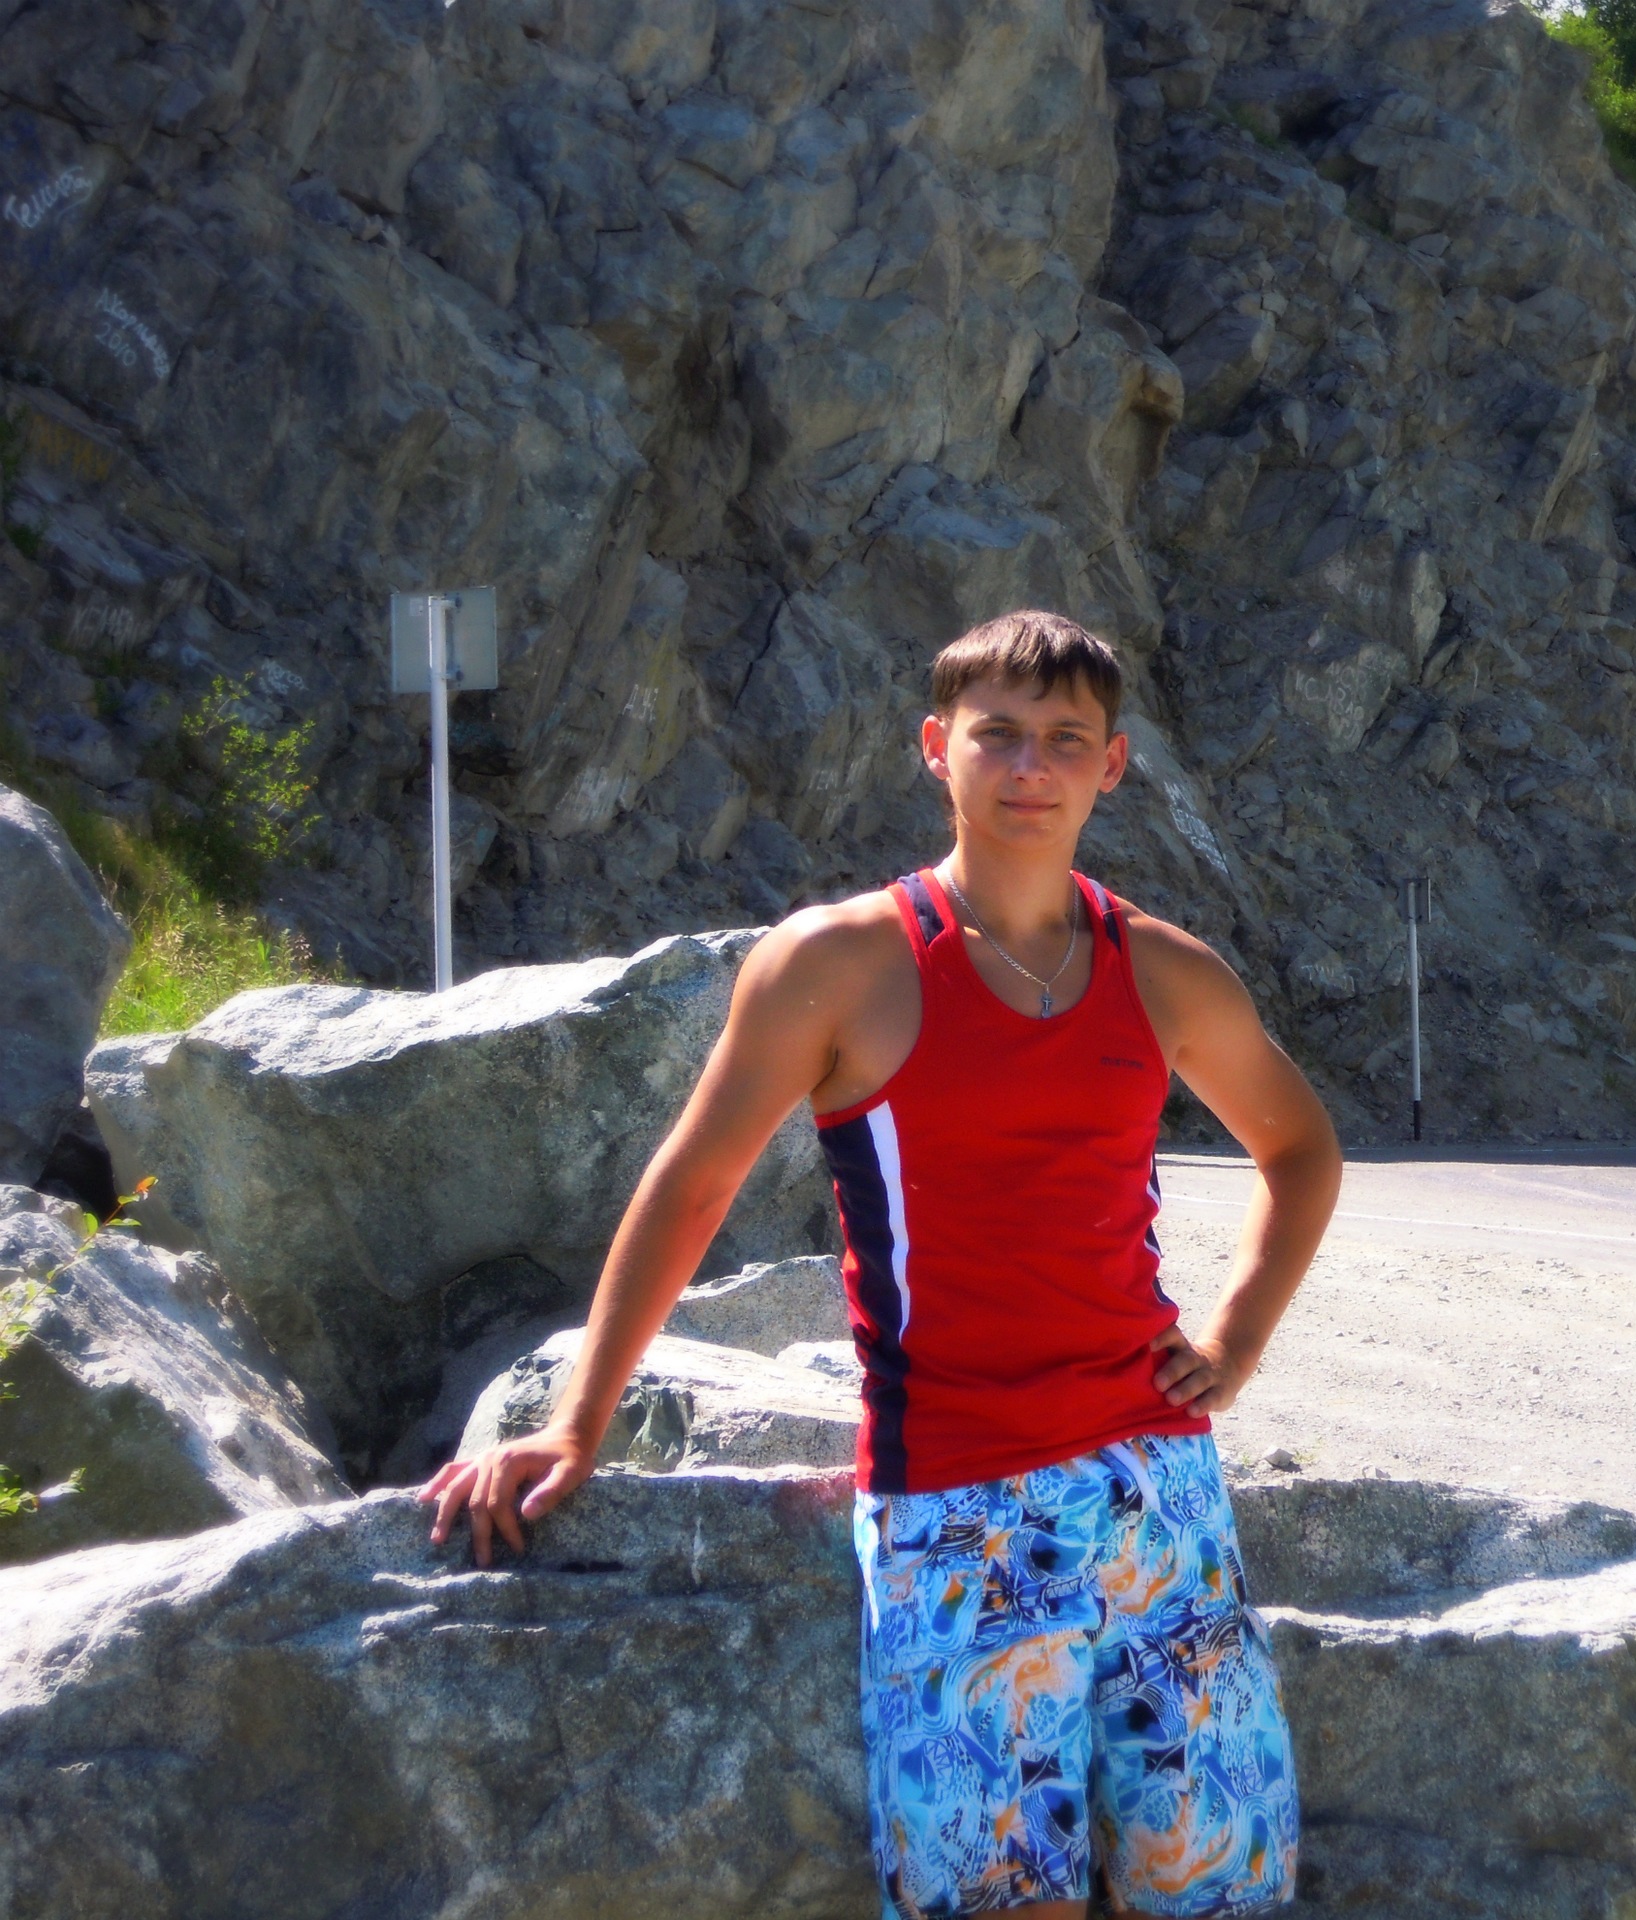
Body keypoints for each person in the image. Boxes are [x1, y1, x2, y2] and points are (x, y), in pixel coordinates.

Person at [421, 609, 1341, 1920]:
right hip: (955, 1504)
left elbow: (1300, 1148)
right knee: (1002, 1902)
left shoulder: (1163, 971)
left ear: (1112, 765)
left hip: (1161, 1494)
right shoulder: (839, 963)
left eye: (1064, 740)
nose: (1029, 767)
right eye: (997, 734)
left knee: (1214, 1892)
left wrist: (1236, 1339)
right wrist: (580, 1421)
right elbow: (691, 1188)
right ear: (934, 746)